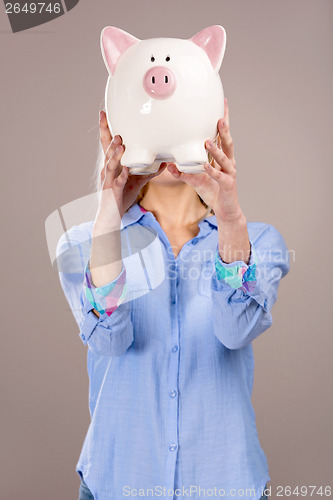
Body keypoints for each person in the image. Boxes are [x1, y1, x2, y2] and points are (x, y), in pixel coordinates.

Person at [56, 98, 289, 500]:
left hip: (226, 482)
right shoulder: (84, 242)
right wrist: (108, 215)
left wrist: (231, 219)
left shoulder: (259, 242)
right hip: (118, 480)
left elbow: (236, 331)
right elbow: (108, 339)